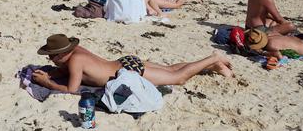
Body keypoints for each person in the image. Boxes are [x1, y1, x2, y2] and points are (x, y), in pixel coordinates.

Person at [32, 34, 233, 93]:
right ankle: (211, 66)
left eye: (52, 56)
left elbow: (71, 89)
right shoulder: (76, 52)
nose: (51, 60)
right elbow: (74, 72)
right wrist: (54, 73)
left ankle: (213, 58)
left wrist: (46, 83)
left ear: (63, 53)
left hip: (128, 72)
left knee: (177, 78)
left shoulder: (75, 60)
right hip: (125, 62)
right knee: (171, 68)